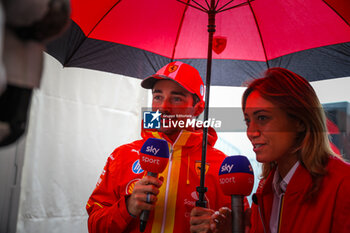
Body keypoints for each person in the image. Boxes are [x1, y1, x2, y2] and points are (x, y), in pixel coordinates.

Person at [189, 67, 350, 233]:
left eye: (262, 118)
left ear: (300, 121)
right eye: (247, 121)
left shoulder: (344, 185)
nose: (251, 132)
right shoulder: (265, 190)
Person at [86, 61, 231, 233]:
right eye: (158, 96)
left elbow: (241, 226)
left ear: (198, 108)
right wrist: (127, 207)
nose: (163, 108)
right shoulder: (122, 155)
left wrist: (221, 228)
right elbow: (95, 226)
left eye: (176, 98)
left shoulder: (223, 165)